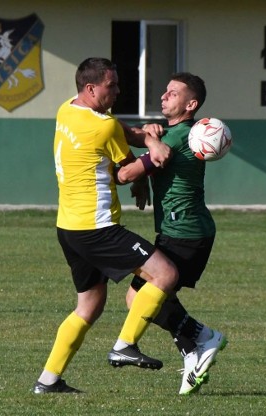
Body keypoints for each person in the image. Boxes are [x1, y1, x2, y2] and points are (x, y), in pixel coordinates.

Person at [32, 57, 179, 394]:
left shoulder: (68, 108)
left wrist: (149, 138)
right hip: (97, 228)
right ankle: (125, 345)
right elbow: (126, 172)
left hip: (68, 227)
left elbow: (123, 132)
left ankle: (48, 380)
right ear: (91, 88)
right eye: (111, 86)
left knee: (89, 307)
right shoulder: (104, 126)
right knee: (166, 274)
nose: (117, 91)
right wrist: (153, 156)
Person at [116, 72, 228, 395]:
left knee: (140, 297)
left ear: (191, 104)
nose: (164, 96)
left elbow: (128, 171)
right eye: (165, 91)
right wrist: (151, 137)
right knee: (143, 298)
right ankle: (195, 347)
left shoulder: (181, 138)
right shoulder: (175, 133)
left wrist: (135, 140)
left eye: (173, 93)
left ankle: (201, 339)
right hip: (182, 232)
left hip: (186, 234)